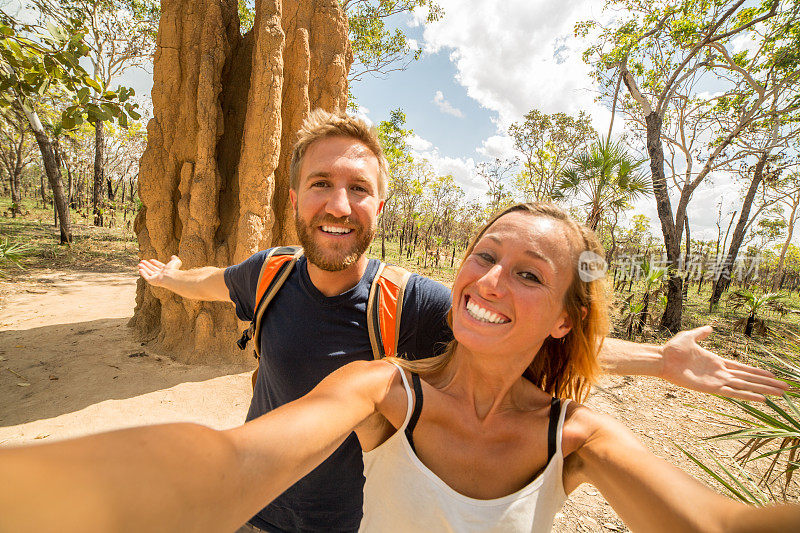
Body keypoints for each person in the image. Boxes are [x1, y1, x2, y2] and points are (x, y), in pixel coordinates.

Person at [137, 110, 787, 532]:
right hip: (259, 515)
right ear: (295, 198)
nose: (339, 204)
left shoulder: (409, 300)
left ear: (379, 207)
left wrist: (657, 361)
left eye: (359, 189)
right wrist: (170, 277)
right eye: (321, 184)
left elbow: (506, 326)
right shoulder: (270, 271)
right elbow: (215, 287)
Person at [2, 202, 798, 533]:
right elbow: (224, 464)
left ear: (561, 315)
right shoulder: (382, 387)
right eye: (485, 255)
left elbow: (721, 525)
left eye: (528, 272)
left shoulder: (578, 436)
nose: (490, 279)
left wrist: (659, 360)